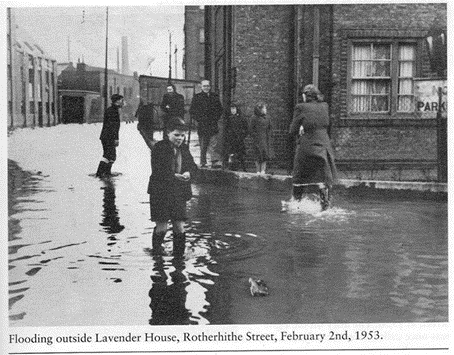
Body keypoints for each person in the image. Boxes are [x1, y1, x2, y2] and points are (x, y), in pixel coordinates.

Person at [148, 117, 198, 257]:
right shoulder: (159, 148)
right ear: (168, 133)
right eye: (176, 135)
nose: (180, 138)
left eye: (182, 135)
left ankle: (179, 257)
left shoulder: (184, 149)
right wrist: (174, 176)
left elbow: (193, 167)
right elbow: (158, 170)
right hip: (160, 193)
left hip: (178, 193)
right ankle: (157, 254)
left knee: (179, 226)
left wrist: (188, 173)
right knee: (162, 227)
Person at [289, 84, 337, 210]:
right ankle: (325, 204)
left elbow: (292, 130)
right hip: (324, 145)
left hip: (308, 145)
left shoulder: (301, 107)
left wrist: (301, 128)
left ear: (305, 95)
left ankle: (296, 203)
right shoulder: (325, 106)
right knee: (323, 176)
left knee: (299, 175)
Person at [189, 79, 223, 168]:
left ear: (210, 87)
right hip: (203, 125)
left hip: (212, 124)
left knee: (213, 144)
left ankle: (214, 161)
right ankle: (203, 162)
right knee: (203, 145)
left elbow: (220, 109)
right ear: (201, 87)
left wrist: (215, 118)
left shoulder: (214, 96)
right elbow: (192, 111)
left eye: (207, 86)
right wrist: (199, 119)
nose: (206, 88)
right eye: (204, 86)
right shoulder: (197, 97)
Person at [96, 94, 124, 177]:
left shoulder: (112, 110)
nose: (123, 102)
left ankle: (106, 172)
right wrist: (115, 138)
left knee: (110, 155)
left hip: (107, 137)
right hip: (108, 137)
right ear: (117, 101)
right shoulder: (112, 111)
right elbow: (112, 127)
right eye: (121, 100)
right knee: (108, 155)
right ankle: (100, 172)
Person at [250, 102, 273, 174]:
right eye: (264, 108)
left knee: (264, 154)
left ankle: (263, 170)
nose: (266, 109)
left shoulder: (267, 118)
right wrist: (255, 136)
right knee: (257, 154)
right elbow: (251, 129)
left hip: (265, 139)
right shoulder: (254, 118)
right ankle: (258, 170)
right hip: (257, 139)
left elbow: (270, 128)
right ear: (261, 109)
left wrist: (268, 136)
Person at [225, 103, 248, 171]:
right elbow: (226, 129)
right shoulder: (229, 118)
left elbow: (246, 128)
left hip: (239, 139)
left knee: (240, 154)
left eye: (234, 109)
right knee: (231, 154)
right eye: (231, 109)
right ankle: (232, 167)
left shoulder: (241, 118)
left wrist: (242, 136)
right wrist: (229, 136)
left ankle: (243, 168)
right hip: (232, 140)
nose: (233, 110)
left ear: (237, 109)